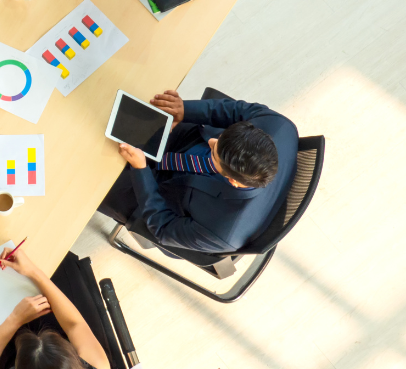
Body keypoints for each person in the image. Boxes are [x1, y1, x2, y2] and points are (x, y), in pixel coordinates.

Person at [97, 91, 298, 254]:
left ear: (233, 182)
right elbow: (235, 111)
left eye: (214, 153)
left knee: (92, 178)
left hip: (160, 199)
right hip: (188, 141)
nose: (212, 141)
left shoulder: (221, 231)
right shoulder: (280, 127)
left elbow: (163, 227)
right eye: (220, 139)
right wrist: (185, 111)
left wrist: (140, 170)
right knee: (118, 110)